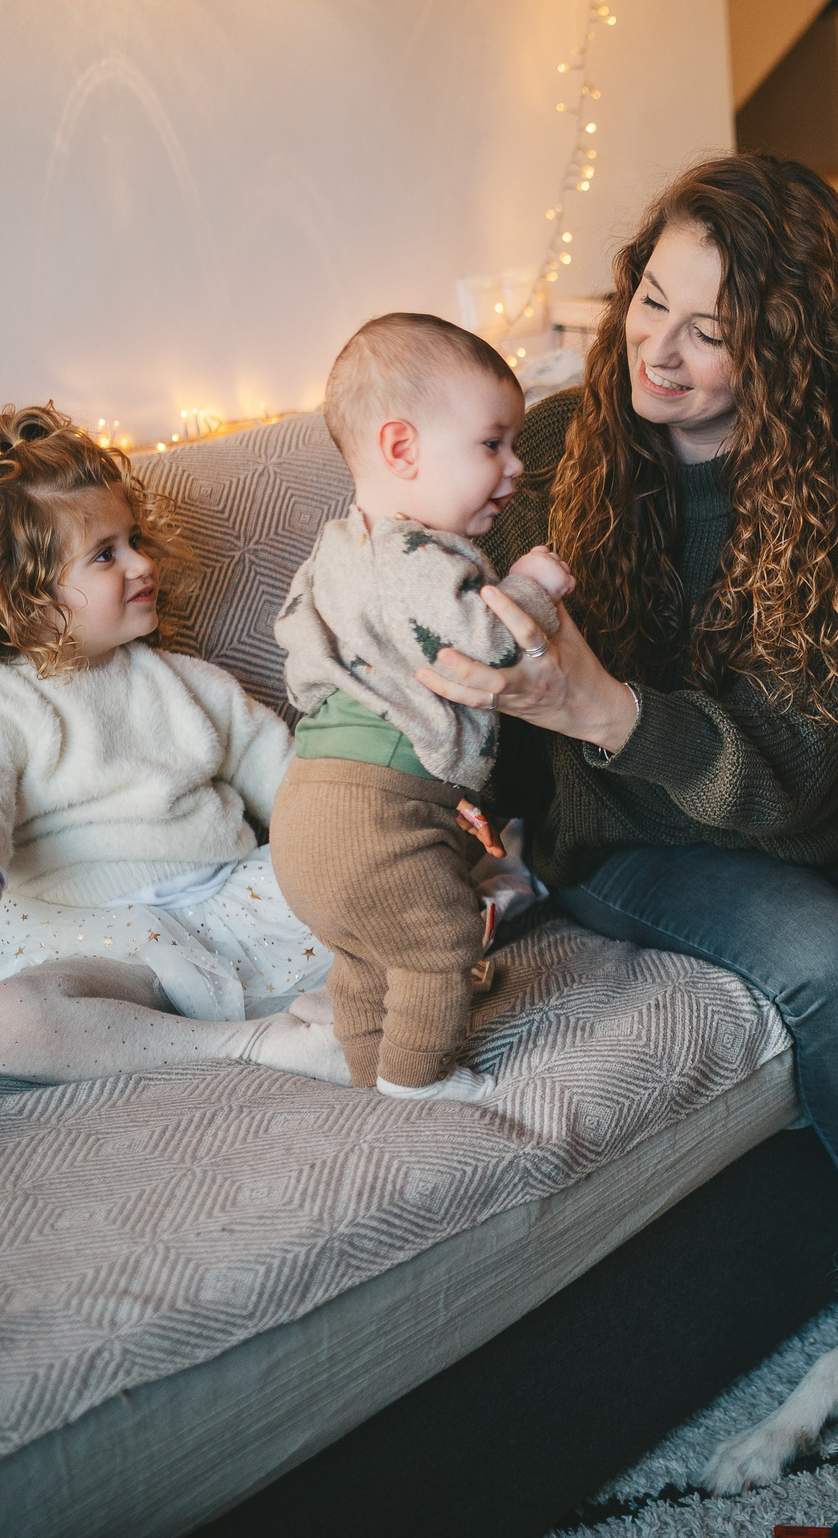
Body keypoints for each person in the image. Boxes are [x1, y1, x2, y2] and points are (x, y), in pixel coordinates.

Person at [421, 154, 838, 1226]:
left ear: (788, 347)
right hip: (628, 823)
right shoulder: (551, 455)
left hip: (833, 788)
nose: (658, 346)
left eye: (712, 326)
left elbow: (795, 768)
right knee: (833, 963)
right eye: (652, 298)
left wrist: (601, 705)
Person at [0, 405, 346, 1086]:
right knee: (9, 1021)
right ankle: (251, 1042)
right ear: (22, 597)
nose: (142, 562)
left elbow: (289, 779)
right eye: (106, 553)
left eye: (134, 538)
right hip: (89, 943)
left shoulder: (189, 683)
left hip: (233, 906)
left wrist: (362, 834)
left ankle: (346, 1004)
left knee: (390, 889)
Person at [270, 312, 577, 1102]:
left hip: (308, 809)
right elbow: (488, 646)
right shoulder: (413, 556)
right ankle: (418, 1078)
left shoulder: (341, 548)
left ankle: (371, 1066)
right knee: (441, 941)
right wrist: (533, 589)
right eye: (492, 443)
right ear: (402, 449)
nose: (515, 467)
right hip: (378, 810)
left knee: (365, 953)